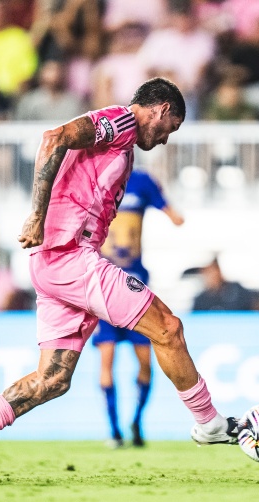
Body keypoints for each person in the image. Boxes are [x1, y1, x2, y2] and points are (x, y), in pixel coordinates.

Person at [0, 77, 239, 480]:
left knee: (52, 380)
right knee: (168, 327)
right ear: (160, 110)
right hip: (69, 256)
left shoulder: (124, 146)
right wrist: (37, 215)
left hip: (55, 263)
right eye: (170, 128)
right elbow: (55, 137)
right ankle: (209, 423)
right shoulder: (121, 122)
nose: (164, 139)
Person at [94, 168, 185, 448]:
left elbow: (170, 211)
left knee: (145, 362)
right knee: (107, 359)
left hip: (135, 285)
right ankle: (114, 430)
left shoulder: (141, 181)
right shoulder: (94, 177)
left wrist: (173, 215)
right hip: (104, 287)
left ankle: (136, 420)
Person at [192, 258, 259, 312]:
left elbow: (254, 307)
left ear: (218, 271)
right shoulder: (200, 299)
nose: (208, 276)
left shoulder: (238, 291)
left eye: (211, 271)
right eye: (205, 273)